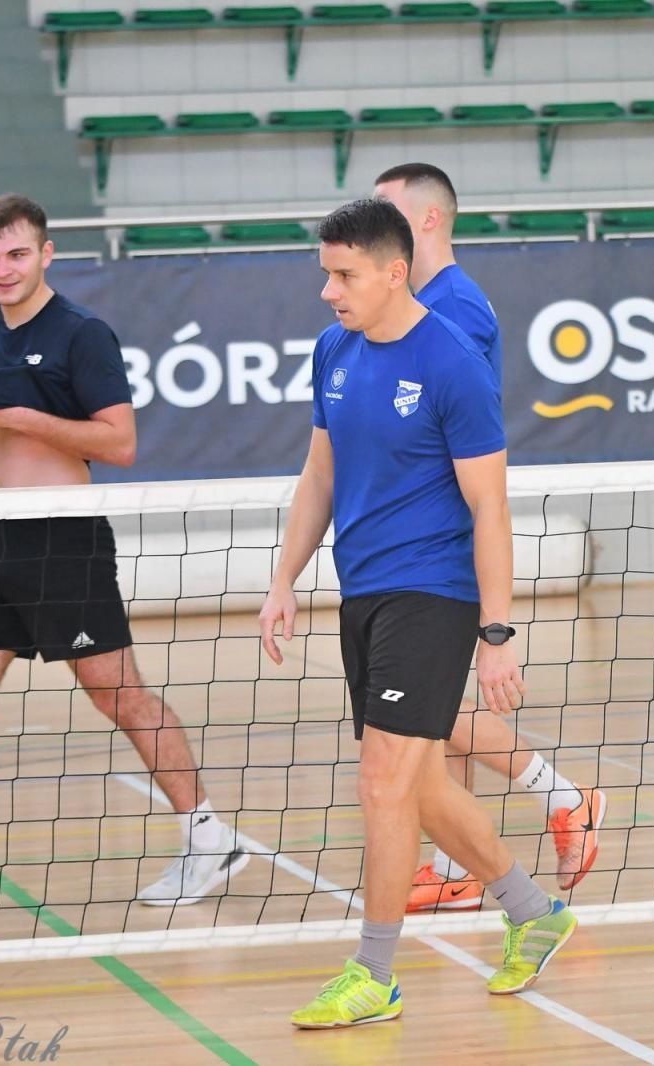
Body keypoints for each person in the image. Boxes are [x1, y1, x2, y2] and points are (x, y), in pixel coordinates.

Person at [0, 194, 246, 917]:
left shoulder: (82, 333)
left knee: (119, 695)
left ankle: (208, 837)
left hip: (63, 539)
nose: (1, 269)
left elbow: (119, 443)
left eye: (15, 254)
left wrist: (20, 414)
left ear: (45, 255)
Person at [260, 198, 577, 1029]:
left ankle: (374, 973)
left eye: (343, 275)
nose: (328, 291)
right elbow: (320, 475)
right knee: (423, 783)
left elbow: (490, 508)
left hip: (434, 593)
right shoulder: (335, 349)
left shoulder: (452, 361)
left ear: (394, 271)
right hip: (362, 591)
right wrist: (284, 577)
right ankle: (534, 911)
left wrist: (496, 635)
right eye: (326, 273)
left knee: (381, 783)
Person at [373, 162, 606, 912]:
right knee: (430, 726)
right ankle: (456, 866)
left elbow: (463, 438)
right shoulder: (409, 305)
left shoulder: (456, 310)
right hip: (408, 542)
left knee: (426, 715)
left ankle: (562, 796)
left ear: (430, 221)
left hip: (442, 545)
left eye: (387, 214)